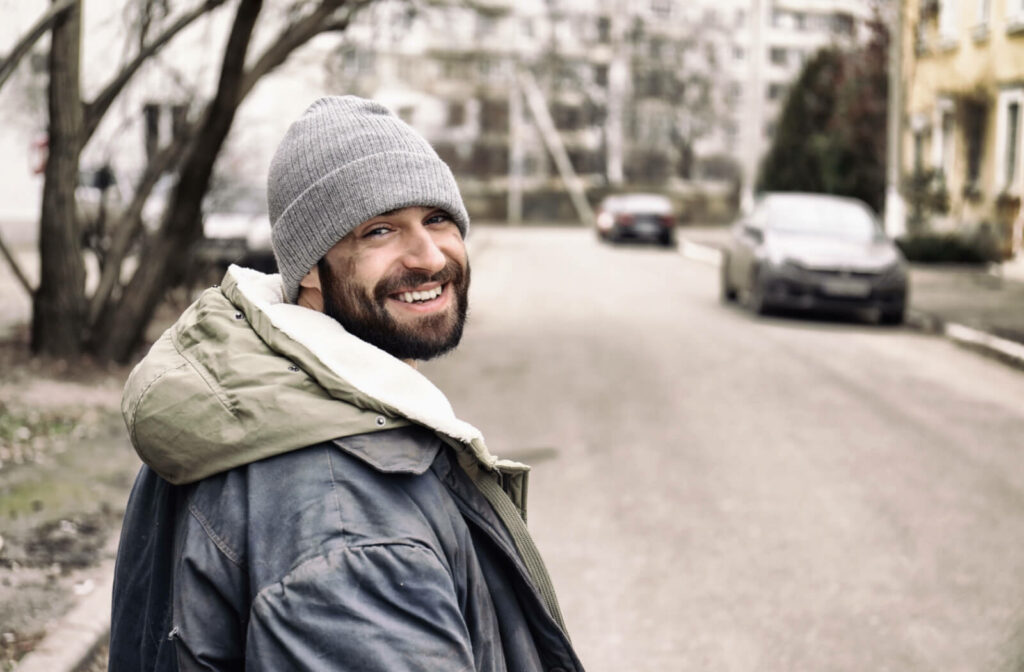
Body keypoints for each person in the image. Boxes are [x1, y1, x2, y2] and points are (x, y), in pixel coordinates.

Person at [108, 96, 583, 672]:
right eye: (380, 231)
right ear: (308, 266)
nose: (430, 257)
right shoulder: (351, 530)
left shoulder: (245, 400)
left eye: (437, 219)